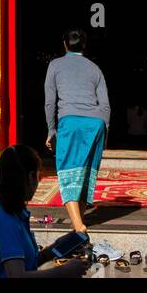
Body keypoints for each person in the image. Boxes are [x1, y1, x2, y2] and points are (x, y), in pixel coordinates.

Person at [0, 144, 88, 279]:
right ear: (31, 177)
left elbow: (29, 263)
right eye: (38, 176)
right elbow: (17, 276)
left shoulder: (15, 213)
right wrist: (63, 272)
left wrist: (54, 248)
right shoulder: (6, 220)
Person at [44, 27, 110, 234]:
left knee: (68, 171)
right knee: (86, 172)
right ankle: (78, 221)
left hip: (70, 122)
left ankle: (79, 226)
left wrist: (51, 130)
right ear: (84, 45)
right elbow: (106, 105)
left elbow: (49, 102)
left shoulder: (55, 65)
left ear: (65, 44)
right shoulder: (94, 68)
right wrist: (105, 132)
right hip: (96, 123)